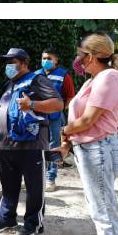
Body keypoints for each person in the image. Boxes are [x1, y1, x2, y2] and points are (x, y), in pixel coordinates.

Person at [54, 33, 118, 235]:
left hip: (98, 150)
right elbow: (80, 119)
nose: (78, 60)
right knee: (99, 209)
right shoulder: (93, 80)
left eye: (80, 55)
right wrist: (66, 143)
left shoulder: (109, 77)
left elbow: (87, 120)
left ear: (92, 56)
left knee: (103, 211)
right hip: (90, 150)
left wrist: (63, 131)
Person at [0, 47, 63, 235]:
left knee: (34, 187)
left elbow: (58, 104)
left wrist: (32, 104)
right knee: (8, 185)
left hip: (31, 145)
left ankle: (33, 223)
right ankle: (7, 218)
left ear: (24, 64)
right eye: (7, 62)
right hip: (6, 145)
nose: (8, 66)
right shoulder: (9, 85)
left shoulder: (37, 80)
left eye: (12, 62)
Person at [37, 48, 75, 192]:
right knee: (36, 145)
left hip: (55, 117)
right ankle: (37, 176)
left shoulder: (64, 76)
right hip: (37, 117)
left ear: (56, 61)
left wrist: (60, 109)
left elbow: (70, 96)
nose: (45, 61)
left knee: (54, 146)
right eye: (44, 58)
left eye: (49, 58)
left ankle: (50, 179)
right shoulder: (35, 75)